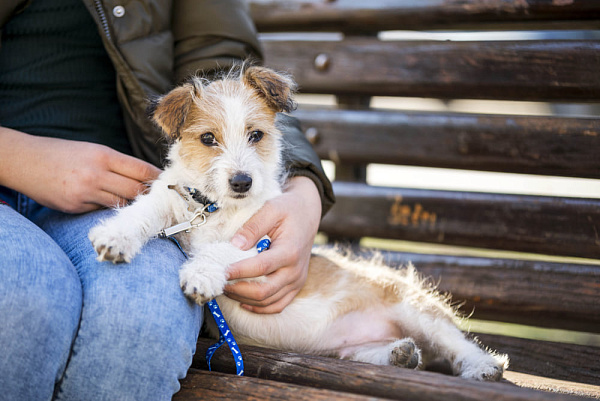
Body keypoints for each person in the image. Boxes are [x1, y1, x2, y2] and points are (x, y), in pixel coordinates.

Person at [0, 0, 335, 399]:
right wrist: (16, 158)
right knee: (22, 297)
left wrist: (306, 189)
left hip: (120, 190)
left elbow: (224, 71)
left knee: (148, 317)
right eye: (209, 139)